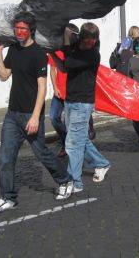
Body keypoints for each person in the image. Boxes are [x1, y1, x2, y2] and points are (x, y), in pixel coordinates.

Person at [0, 12, 73, 214]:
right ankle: (8, 197)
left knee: (41, 152)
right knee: (6, 158)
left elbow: (42, 87)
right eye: (16, 28)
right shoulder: (14, 50)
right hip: (12, 115)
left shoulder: (38, 53)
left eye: (22, 29)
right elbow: (4, 75)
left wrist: (36, 116)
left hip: (29, 115)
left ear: (30, 30)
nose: (18, 32)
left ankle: (65, 180)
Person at [50, 22, 110, 193]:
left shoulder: (92, 55)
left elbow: (68, 63)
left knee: (72, 144)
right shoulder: (76, 48)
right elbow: (62, 67)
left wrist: (67, 41)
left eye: (93, 41)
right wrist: (52, 53)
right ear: (82, 38)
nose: (90, 44)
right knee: (79, 138)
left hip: (82, 103)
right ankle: (101, 163)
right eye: (87, 41)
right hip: (71, 101)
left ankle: (74, 182)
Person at [48, 24, 95, 158]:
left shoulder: (78, 51)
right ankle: (66, 141)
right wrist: (55, 87)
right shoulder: (57, 49)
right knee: (53, 118)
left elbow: (68, 64)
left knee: (79, 127)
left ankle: (82, 152)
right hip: (60, 91)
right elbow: (54, 70)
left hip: (76, 93)